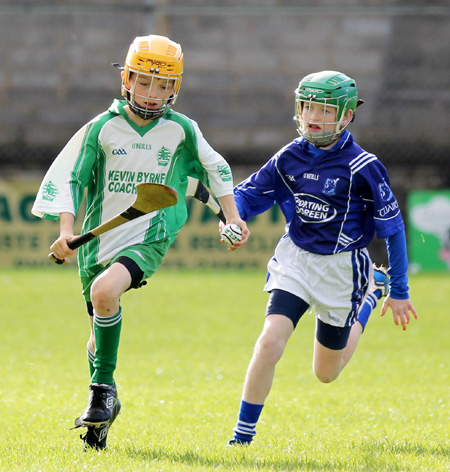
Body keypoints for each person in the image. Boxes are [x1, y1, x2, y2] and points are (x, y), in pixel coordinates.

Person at [31, 34, 249, 450]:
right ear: (126, 80)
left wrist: (232, 217)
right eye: (144, 82)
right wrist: (65, 231)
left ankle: (99, 393)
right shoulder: (102, 128)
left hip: (150, 234)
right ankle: (105, 406)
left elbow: (215, 170)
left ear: (176, 88)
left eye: (164, 85)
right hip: (97, 242)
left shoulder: (182, 130)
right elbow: (75, 180)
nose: (153, 94)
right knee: (99, 323)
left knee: (105, 291)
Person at [227, 70, 417, 446]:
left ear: (347, 116)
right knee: (269, 342)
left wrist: (399, 289)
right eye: (307, 106)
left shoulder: (365, 167)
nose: (313, 116)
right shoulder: (290, 156)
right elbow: (248, 194)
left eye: (325, 110)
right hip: (296, 260)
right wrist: (234, 220)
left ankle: (370, 294)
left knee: (326, 373)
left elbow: (393, 230)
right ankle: (242, 437)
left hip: (342, 270)